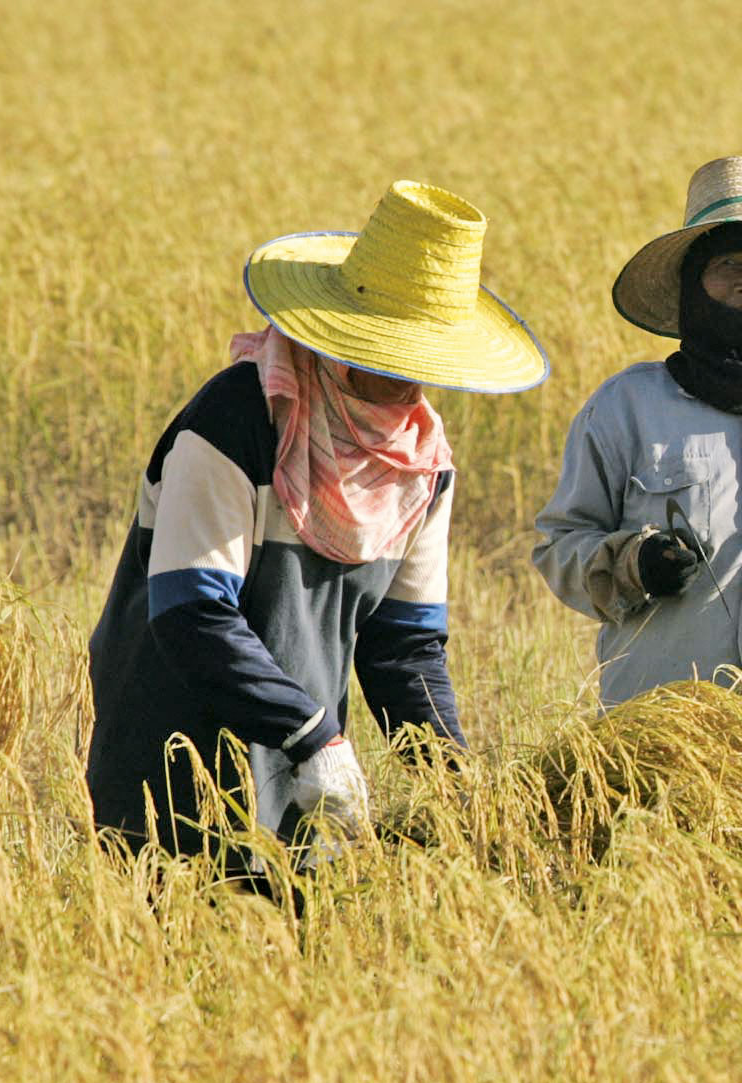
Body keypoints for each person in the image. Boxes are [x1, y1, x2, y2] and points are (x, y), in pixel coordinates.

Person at [87, 180, 548, 866]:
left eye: (420, 356)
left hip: (301, 777)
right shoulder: (236, 420)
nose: (404, 375)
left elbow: (403, 650)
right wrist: (312, 735)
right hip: (172, 770)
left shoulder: (422, 464)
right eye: (388, 348)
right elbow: (192, 613)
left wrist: (459, 785)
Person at [533, 156, 742, 707]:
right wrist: (634, 565)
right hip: (665, 727)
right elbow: (560, 547)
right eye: (728, 265)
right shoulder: (628, 407)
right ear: (694, 283)